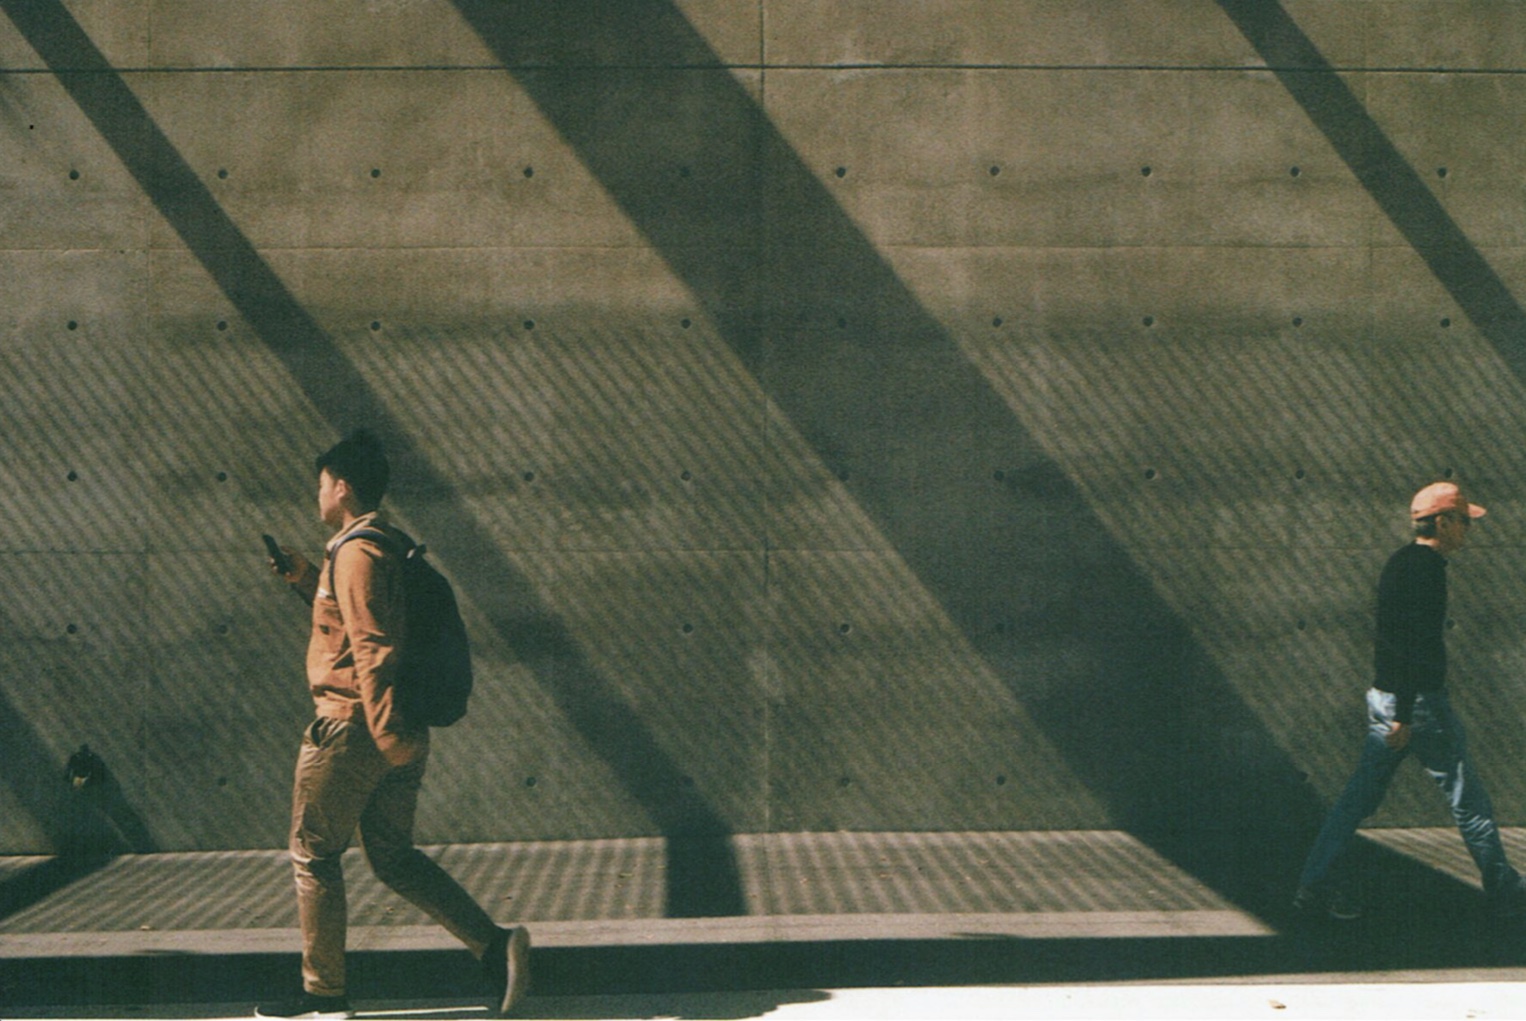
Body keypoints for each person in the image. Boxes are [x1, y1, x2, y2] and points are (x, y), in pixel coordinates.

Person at [257, 430, 529, 1019]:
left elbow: (373, 646)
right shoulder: (383, 544)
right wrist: (306, 578)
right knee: (394, 857)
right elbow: (355, 627)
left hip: (352, 728)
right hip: (388, 725)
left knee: (314, 855)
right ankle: (496, 946)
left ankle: (322, 996)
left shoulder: (354, 552)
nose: (318, 494)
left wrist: (384, 732)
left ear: (342, 487)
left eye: (322, 484)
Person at [1294, 481, 1525, 921]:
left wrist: (1393, 710)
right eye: (1463, 522)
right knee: (1468, 799)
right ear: (1443, 521)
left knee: (1356, 801)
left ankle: (1313, 884)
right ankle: (1504, 888)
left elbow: (1391, 641)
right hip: (1417, 707)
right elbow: (1409, 644)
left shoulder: (1401, 563)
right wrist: (1404, 714)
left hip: (1391, 702)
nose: (1467, 531)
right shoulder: (1426, 570)